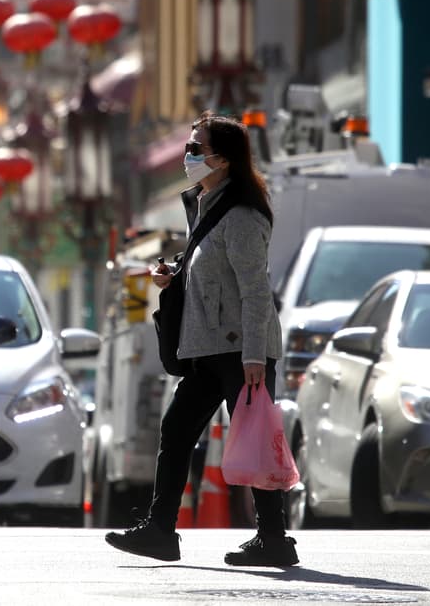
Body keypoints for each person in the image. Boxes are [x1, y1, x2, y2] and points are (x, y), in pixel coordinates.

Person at [105, 111, 297, 567]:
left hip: (239, 349)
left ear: (224, 160)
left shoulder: (244, 215)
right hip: (206, 348)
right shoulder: (204, 208)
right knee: (176, 430)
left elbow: (254, 289)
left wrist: (254, 356)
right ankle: (159, 530)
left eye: (197, 149)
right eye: (188, 147)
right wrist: (174, 276)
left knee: (253, 434)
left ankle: (274, 539)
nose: (188, 156)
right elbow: (214, 275)